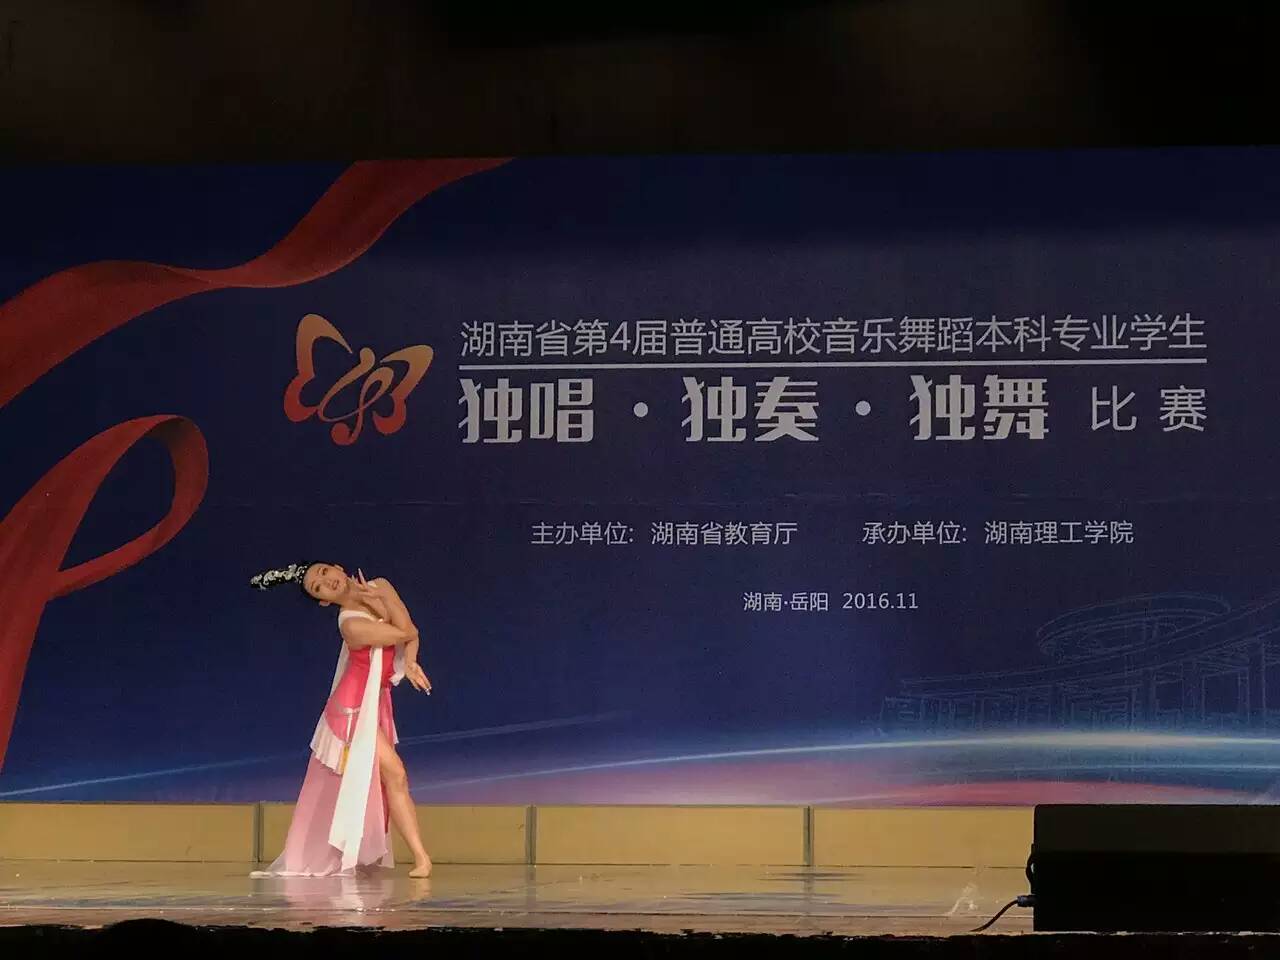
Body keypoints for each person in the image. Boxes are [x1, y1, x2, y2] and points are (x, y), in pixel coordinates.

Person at [247, 561, 433, 878]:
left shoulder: (381, 583)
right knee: (396, 774)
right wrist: (382, 602)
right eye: (317, 587)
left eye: (323, 573)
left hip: (372, 703)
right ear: (323, 601)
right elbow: (404, 632)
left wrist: (411, 662)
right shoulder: (350, 625)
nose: (326, 582)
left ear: (337, 567)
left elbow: (411, 634)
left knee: (393, 779)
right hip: (352, 711)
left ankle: (418, 858)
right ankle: (421, 858)